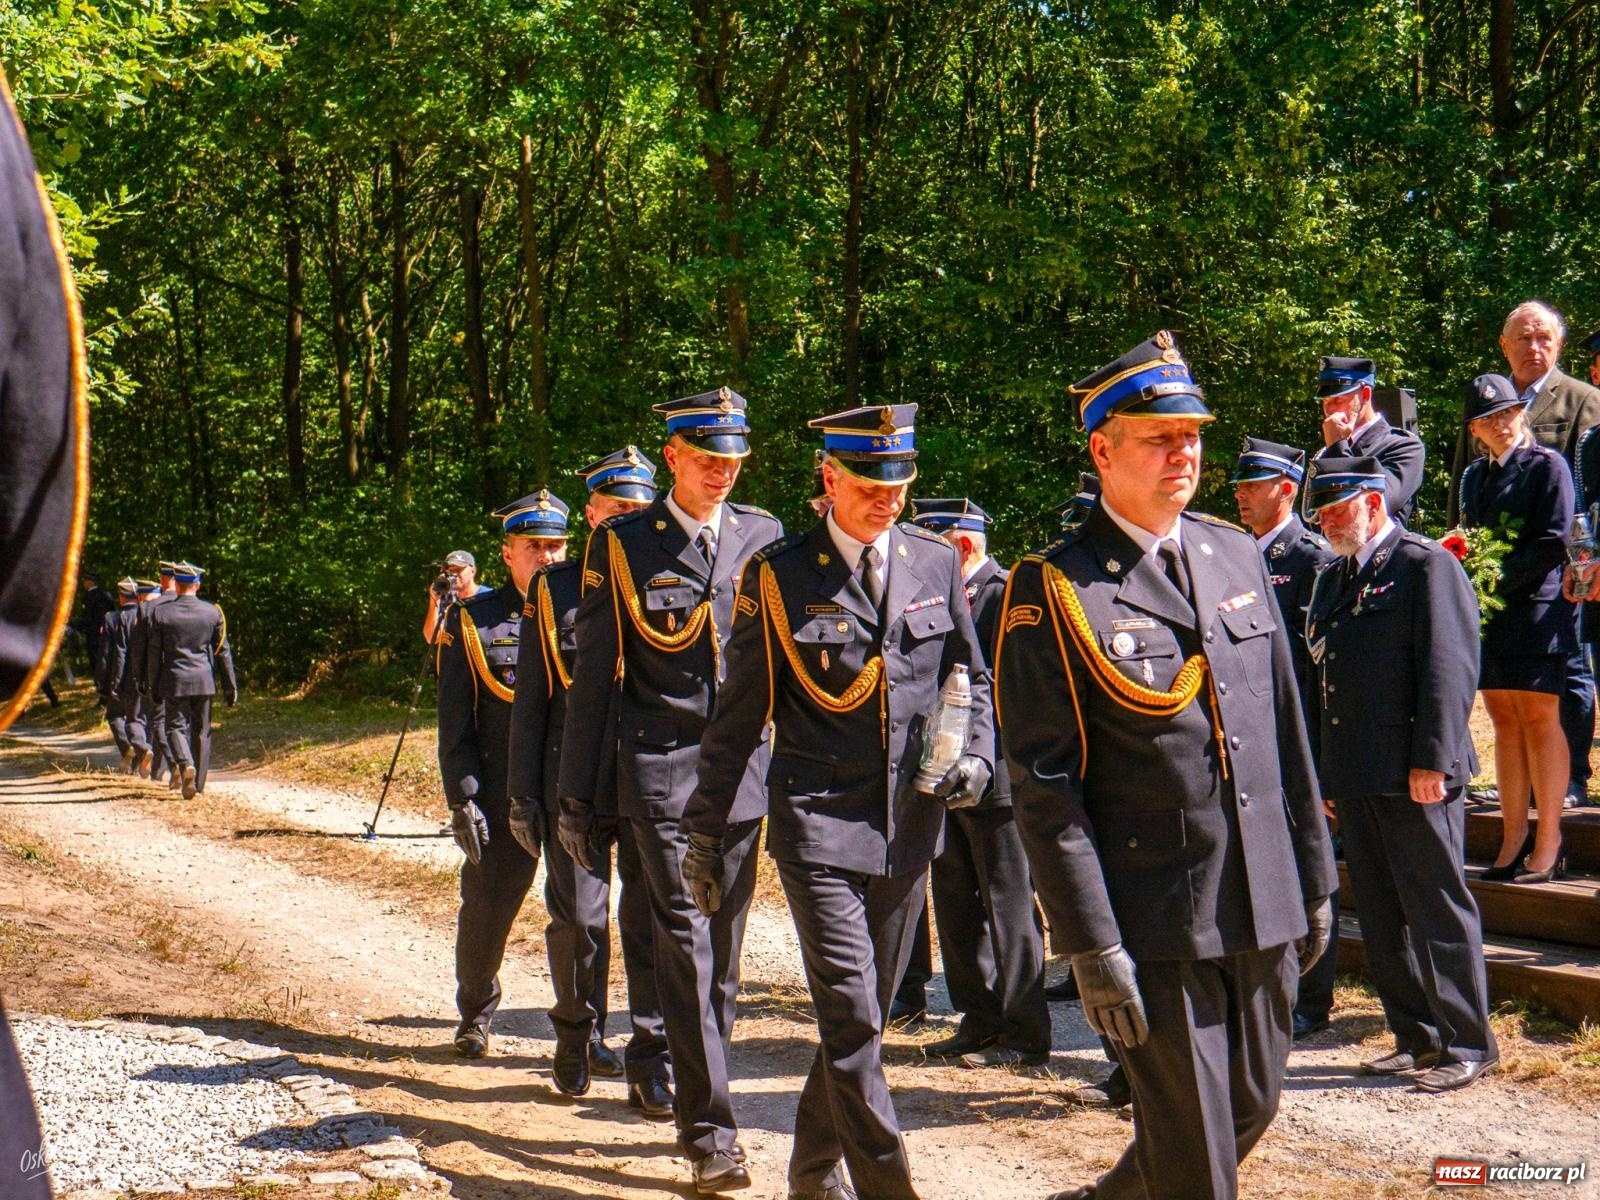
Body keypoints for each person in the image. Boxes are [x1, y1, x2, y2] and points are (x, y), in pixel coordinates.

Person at [996, 331, 1336, 1200]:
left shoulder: (1234, 554)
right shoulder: (1058, 586)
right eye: (1159, 437)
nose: (1184, 452)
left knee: (1249, 1105)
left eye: (1192, 435)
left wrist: (1315, 877)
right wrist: (1086, 941)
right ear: (1103, 449)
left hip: (1261, 894)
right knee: (1195, 1153)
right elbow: (1043, 786)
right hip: (1153, 913)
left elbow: (1284, 728)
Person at [683, 405, 995, 1200]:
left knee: (867, 1020)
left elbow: (973, 679)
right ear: (829, 479)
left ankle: (813, 1168)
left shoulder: (933, 563)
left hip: (909, 824)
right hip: (818, 822)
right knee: (853, 1018)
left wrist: (980, 756)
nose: (886, 497)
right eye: (868, 483)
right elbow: (738, 713)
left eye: (899, 482)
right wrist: (704, 833)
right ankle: (889, 1187)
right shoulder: (781, 575)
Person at [558, 388, 782, 1196]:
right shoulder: (621, 545)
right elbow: (593, 680)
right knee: (684, 941)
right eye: (707, 458)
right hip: (660, 766)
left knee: (722, 952)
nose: (722, 473)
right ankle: (710, 1131)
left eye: (734, 461)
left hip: (744, 772)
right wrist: (576, 794)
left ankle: (689, 1075)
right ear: (675, 457)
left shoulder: (764, 536)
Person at [1305, 455, 1498, 1091]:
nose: (1329, 521)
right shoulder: (1335, 576)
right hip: (1357, 773)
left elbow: (1449, 668)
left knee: (1437, 908)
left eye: (1339, 507)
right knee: (1385, 917)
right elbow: (1327, 681)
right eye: (1323, 512)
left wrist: (1433, 760)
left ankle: (1468, 1041)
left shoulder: (1424, 565)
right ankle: (1414, 1036)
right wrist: (1329, 778)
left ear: (1374, 501)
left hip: (1416, 773)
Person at [506, 447, 671, 1111]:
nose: (627, 519)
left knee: (652, 919)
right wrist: (523, 792)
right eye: (615, 510)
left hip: (650, 772)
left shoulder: (673, 577)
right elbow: (532, 701)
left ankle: (650, 1056)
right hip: (570, 772)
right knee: (578, 917)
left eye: (638, 508)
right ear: (593, 514)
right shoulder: (555, 588)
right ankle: (577, 1032)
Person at [908, 497, 1049, 1069]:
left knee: (1008, 906)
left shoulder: (1006, 592)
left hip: (1001, 777)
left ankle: (1025, 1032)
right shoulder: (944, 599)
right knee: (957, 903)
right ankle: (979, 1017)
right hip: (946, 772)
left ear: (963, 547)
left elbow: (1015, 689)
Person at [1452, 302, 1600, 801]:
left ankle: (1572, 777)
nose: (1534, 348)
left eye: (1544, 339)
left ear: (1558, 345)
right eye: (1524, 338)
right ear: (1504, 344)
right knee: (1507, 695)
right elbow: (1466, 483)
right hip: (1501, 577)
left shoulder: (1583, 398)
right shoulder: (1486, 399)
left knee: (1571, 675)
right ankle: (1522, 786)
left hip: (1567, 568)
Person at [437, 490, 566, 1058]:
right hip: (497, 792)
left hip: (569, 791)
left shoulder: (591, 609)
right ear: (507, 553)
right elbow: (455, 723)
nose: (546, 556)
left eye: (555, 545)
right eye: (533, 545)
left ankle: (581, 1034)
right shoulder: (472, 622)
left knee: (581, 921)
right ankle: (475, 1011)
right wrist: (463, 798)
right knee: (487, 911)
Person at [1231, 436, 1341, 1040]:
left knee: (1308, 862)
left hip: (1299, 738)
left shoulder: (1312, 558)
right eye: (1240, 487)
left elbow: (1320, 668)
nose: (1242, 496)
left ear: (1287, 489)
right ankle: (1276, 987)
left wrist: (1321, 761)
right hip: (1253, 740)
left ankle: (1311, 999)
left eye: (1253, 485)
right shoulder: (1236, 555)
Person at [1459, 375, 1576, 881]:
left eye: (1506, 413)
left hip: (1536, 610)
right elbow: (1467, 537)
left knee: (1538, 720)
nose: (1499, 424)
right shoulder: (1476, 476)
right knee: (1503, 720)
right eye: (1487, 419)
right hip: (1493, 614)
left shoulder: (1547, 465)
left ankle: (1549, 837)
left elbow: (1554, 541)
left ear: (1522, 413)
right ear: (1474, 430)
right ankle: (1512, 836)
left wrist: (1494, 579)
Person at [144, 562, 238, 799]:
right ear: (197, 584)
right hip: (204, 680)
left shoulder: (161, 613)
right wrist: (230, 686)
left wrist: (152, 685)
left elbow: (154, 654)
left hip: (174, 679)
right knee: (202, 731)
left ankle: (185, 763)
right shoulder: (213, 612)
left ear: (175, 583)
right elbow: (222, 651)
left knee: (175, 726)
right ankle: (198, 785)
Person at [1309, 356, 1424, 528]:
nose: (1330, 410)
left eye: (1338, 399)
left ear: (1365, 394)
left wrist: (1337, 446)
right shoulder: (1326, 451)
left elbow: (1376, 505)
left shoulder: (1404, 446)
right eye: (1326, 402)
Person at [99, 578, 151, 774]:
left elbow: (106, 654)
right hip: (145, 676)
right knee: (140, 717)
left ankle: (127, 748)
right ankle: (139, 758)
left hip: (120, 676)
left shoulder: (112, 618)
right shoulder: (146, 615)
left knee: (115, 715)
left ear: (121, 598)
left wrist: (102, 681)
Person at [422, 550, 481, 644]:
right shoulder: (447, 601)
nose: (454, 575)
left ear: (473, 570)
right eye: (450, 571)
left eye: (458, 570)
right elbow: (431, 638)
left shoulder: (487, 596)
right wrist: (434, 601)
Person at [73, 572, 115, 677]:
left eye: (85, 581)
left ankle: (100, 685)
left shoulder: (88, 597)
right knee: (107, 658)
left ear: (90, 582)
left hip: (93, 634)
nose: (84, 583)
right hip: (108, 633)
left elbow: (88, 618)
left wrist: (74, 624)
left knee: (96, 661)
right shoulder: (106, 595)